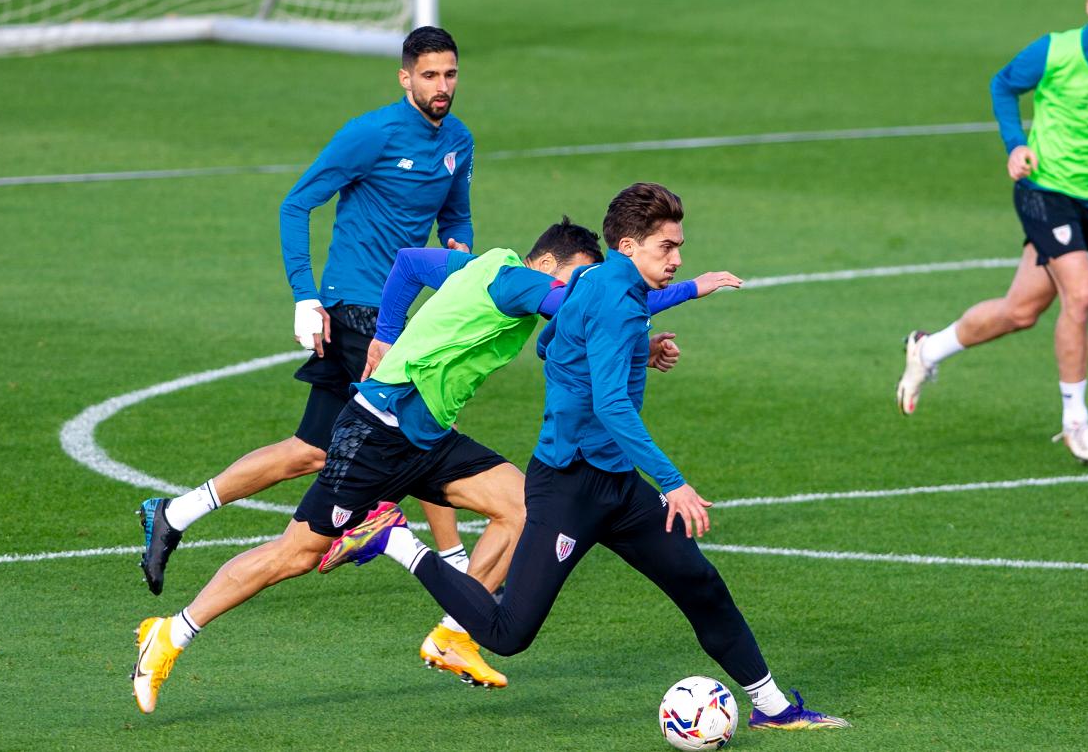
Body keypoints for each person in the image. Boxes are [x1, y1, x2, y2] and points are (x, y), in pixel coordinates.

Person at [132, 217, 741, 713]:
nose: (581, 288)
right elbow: (591, 305)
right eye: (576, 276)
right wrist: (690, 289)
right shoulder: (519, 283)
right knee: (294, 555)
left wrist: (386, 334)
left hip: (426, 437)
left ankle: (453, 634)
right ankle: (172, 632)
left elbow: (408, 264)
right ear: (550, 264)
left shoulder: (481, 263)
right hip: (376, 435)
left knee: (524, 507)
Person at [319, 183, 851, 732]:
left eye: (678, 247)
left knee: (701, 584)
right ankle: (395, 540)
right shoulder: (616, 300)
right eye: (667, 247)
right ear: (629, 247)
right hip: (569, 487)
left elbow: (549, 343)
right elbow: (611, 405)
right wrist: (673, 482)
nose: (677, 258)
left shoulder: (596, 282)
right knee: (507, 633)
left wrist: (632, 348)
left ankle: (773, 709)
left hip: (618, 487)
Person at [138, 25, 475, 601]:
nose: (441, 86)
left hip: (394, 309)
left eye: (449, 74)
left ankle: (174, 513)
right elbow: (296, 204)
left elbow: (456, 215)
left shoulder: (458, 141)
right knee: (424, 424)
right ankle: (459, 567)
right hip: (356, 307)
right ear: (405, 78)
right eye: (429, 76)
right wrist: (304, 294)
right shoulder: (371, 134)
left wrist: (458, 251)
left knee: (311, 450)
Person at [896, 0, 1088, 464]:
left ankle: (927, 350)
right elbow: (1003, 85)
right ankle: (1075, 421)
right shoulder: (1054, 50)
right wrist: (1015, 143)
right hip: (1043, 189)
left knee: (1021, 311)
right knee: (1081, 294)